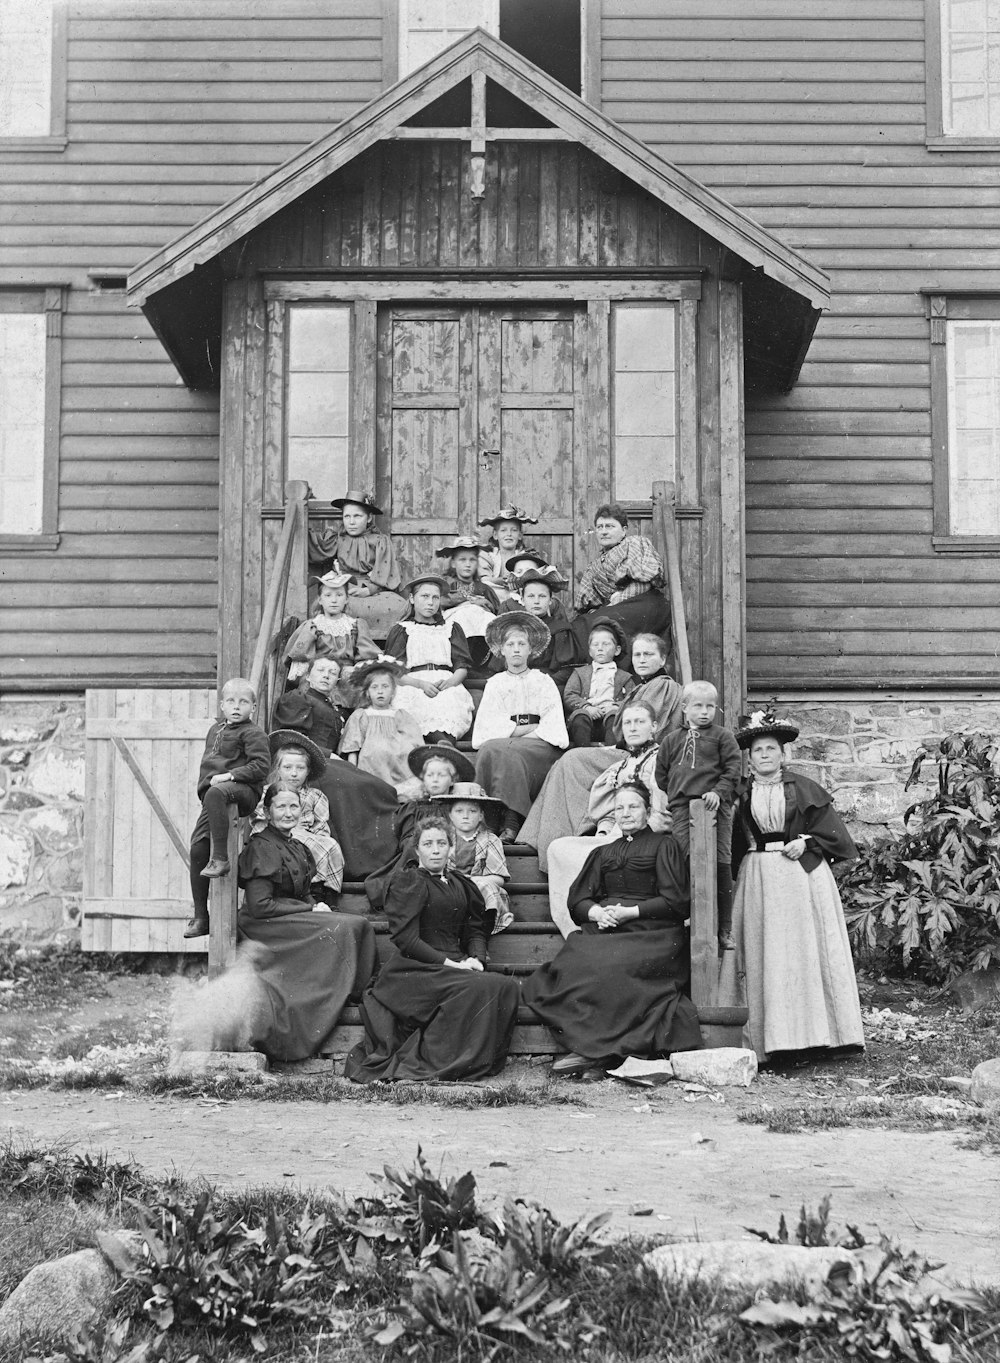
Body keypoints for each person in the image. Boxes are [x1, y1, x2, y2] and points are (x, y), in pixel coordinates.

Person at [522, 783, 702, 1076]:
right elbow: (578, 899)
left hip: (654, 933)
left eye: (633, 806)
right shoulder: (602, 852)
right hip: (606, 929)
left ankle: (596, 1052)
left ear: (647, 810)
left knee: (612, 965)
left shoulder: (663, 846)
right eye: (619, 808)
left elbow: (676, 902)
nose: (626, 813)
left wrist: (628, 913)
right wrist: (596, 912)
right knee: (576, 961)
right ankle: (594, 1049)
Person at [722, 709, 866, 1064]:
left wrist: (807, 842)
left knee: (801, 953)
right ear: (750, 758)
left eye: (771, 749)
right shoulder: (741, 794)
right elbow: (735, 841)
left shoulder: (804, 788)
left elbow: (835, 837)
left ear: (783, 754)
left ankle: (819, 1038)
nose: (765, 755)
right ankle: (770, 1041)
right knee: (765, 952)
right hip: (758, 877)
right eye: (758, 751)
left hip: (801, 877)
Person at [344, 815, 521, 1083]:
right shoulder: (410, 882)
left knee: (504, 986)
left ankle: (470, 1063)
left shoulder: (463, 884)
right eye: (428, 844)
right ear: (417, 850)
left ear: (451, 847)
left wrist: (476, 958)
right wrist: (453, 965)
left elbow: (474, 929)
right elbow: (407, 941)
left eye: (441, 843)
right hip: (415, 970)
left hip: (455, 965)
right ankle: (440, 1062)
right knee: (479, 987)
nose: (435, 849)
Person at [237, 784, 377, 1063]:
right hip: (264, 925)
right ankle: (328, 994)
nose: (288, 813)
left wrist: (316, 905)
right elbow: (260, 905)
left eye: (293, 807)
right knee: (344, 928)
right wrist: (311, 908)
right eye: (281, 807)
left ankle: (350, 992)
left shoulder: (297, 846)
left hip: (288, 915)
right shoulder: (261, 847)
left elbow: (303, 893)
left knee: (359, 924)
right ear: (267, 811)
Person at [518, 633, 683, 864]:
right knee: (567, 761)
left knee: (572, 760)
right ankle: (540, 835)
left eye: (649, 654)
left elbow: (638, 732)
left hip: (644, 753)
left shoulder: (662, 685)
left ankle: (551, 835)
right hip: (630, 749)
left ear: (663, 660)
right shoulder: (642, 685)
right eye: (637, 654)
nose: (642, 659)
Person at [544, 700, 667, 937]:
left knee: (586, 854)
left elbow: (661, 812)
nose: (632, 728)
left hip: (643, 836)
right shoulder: (621, 766)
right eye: (628, 723)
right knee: (558, 848)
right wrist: (603, 831)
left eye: (639, 722)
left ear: (654, 727)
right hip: (615, 835)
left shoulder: (659, 760)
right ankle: (573, 927)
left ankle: (593, 923)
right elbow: (609, 811)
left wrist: (636, 834)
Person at [655, 680, 741, 947]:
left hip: (716, 807)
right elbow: (661, 774)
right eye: (698, 706)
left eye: (710, 706)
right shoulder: (671, 740)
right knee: (685, 860)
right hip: (683, 810)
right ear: (684, 708)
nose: (705, 712)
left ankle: (724, 928)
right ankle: (689, 920)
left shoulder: (722, 736)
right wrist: (678, 793)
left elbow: (733, 769)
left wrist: (718, 791)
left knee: (720, 861)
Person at [185, 677, 271, 939]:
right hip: (215, 796)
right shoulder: (215, 730)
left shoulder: (253, 733)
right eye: (231, 701)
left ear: (253, 708)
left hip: (244, 791)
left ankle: (220, 858)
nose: (237, 706)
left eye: (243, 702)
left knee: (216, 791)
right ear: (222, 705)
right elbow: (209, 766)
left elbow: (261, 767)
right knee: (198, 846)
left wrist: (231, 776)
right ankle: (201, 916)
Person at [473, 613, 570, 843]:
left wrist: (526, 733)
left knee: (507, 751)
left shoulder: (543, 681)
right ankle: (493, 818)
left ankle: (512, 821)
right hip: (508, 742)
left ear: (530, 650)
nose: (516, 649)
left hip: (539, 746)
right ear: (502, 650)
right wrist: (519, 731)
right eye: (510, 644)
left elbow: (552, 722)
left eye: (521, 644)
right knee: (490, 750)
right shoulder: (495, 683)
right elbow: (487, 724)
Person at [363, 743, 475, 909]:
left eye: (441, 775)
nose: (435, 779)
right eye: (430, 775)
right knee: (411, 846)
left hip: (448, 853)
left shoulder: (454, 808)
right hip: (414, 854)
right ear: (423, 779)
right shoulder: (414, 807)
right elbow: (406, 834)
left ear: (453, 779)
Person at [384, 574, 475, 742]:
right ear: (412, 598)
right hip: (413, 682)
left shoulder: (451, 628)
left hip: (446, 681)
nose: (430, 602)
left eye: (435, 597)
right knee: (417, 705)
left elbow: (462, 666)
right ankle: (438, 744)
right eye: (424, 596)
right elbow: (395, 671)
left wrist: (451, 682)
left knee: (449, 704)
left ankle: (446, 743)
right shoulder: (402, 629)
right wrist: (419, 684)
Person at [250, 732, 344, 893]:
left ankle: (325, 893)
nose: (294, 773)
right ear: (278, 769)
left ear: (308, 771)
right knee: (300, 843)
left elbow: (320, 827)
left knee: (331, 845)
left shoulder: (315, 796)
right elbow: (260, 818)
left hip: (307, 835)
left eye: (300, 768)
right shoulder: (267, 792)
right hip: (274, 835)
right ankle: (308, 889)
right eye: (287, 767)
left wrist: (313, 836)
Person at [572, 503, 670, 651]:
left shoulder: (635, 543)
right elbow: (588, 603)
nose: (603, 532)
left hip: (644, 603)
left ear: (624, 530)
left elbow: (645, 582)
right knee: (580, 624)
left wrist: (618, 600)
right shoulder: (594, 566)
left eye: (610, 526)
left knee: (596, 623)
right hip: (617, 610)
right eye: (600, 527)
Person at [308, 490, 405, 634]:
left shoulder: (380, 541)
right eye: (347, 516)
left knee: (399, 606)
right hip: (343, 588)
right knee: (329, 604)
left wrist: (368, 590)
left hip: (372, 591)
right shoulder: (337, 539)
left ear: (369, 518)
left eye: (357, 516)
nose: (351, 522)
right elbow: (316, 547)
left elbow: (386, 573)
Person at [338, 655, 425, 793]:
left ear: (393, 692)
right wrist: (352, 773)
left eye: (385, 687)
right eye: (374, 687)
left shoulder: (400, 715)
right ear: (367, 693)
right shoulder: (362, 715)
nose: (380, 691)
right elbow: (352, 747)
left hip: (398, 766)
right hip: (370, 766)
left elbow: (415, 743)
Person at [435, 781, 513, 933]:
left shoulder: (490, 840)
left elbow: (498, 878)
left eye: (472, 811)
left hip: (478, 889)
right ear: (450, 815)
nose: (465, 816)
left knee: (486, 888)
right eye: (459, 811)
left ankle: (480, 934)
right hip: (449, 888)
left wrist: (470, 882)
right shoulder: (442, 839)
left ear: (481, 815)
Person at [494, 565, 584, 689]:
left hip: (547, 684)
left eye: (542, 596)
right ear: (522, 600)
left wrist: (540, 682)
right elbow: (499, 668)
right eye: (531, 596)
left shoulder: (560, 630)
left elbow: (567, 671)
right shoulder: (512, 631)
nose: (536, 601)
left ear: (550, 600)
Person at [282, 570, 379, 683]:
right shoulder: (313, 626)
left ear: (346, 599)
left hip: (346, 676)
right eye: (328, 595)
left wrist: (354, 670)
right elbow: (302, 657)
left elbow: (367, 655)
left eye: (339, 595)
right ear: (320, 599)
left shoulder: (355, 625)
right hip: (322, 674)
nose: (334, 600)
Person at [563, 617, 635, 747]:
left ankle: (611, 752)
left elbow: (632, 698)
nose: (600, 648)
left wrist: (616, 706)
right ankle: (582, 752)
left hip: (610, 719)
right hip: (587, 717)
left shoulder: (624, 677)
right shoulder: (580, 673)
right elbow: (569, 694)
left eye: (606, 644)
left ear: (617, 650)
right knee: (579, 718)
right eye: (595, 645)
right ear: (590, 651)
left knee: (615, 717)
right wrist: (586, 707)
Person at [436, 536, 501, 665]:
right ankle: (460, 662)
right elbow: (439, 602)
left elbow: (496, 609)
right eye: (462, 560)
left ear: (477, 563)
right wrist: (469, 602)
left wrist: (484, 607)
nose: (467, 564)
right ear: (453, 563)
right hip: (453, 631)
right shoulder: (445, 584)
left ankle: (481, 663)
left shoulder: (484, 588)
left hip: (480, 637)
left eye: (472, 560)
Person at [272, 657, 352, 755]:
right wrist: (329, 755)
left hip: (329, 762)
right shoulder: (298, 699)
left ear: (336, 682)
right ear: (308, 676)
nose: (326, 676)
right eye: (320, 670)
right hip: (302, 759)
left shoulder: (339, 711)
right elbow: (291, 740)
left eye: (333, 673)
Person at [477, 505, 538, 600]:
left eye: (514, 530)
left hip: (521, 597)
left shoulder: (526, 556)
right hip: (495, 596)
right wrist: (500, 580)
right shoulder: (488, 556)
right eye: (503, 530)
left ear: (520, 535)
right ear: (495, 535)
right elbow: (484, 580)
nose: (509, 534)